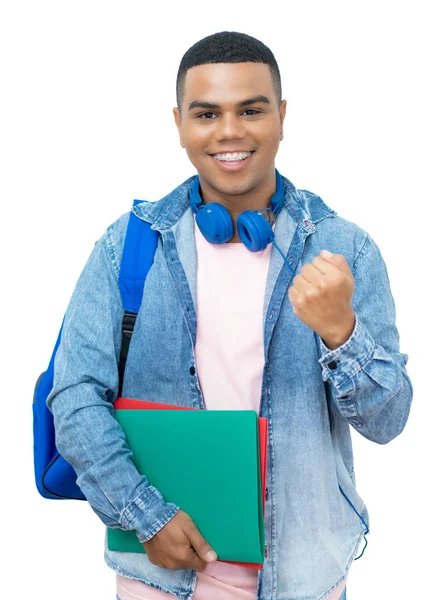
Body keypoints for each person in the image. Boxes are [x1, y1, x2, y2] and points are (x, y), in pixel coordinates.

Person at [47, 31, 413, 600]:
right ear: (178, 124)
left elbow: (387, 422)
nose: (229, 132)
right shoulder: (128, 247)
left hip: (305, 577)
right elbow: (74, 397)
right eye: (206, 113)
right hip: (162, 579)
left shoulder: (345, 250)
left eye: (251, 110)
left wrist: (342, 332)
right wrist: (146, 516)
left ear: (282, 117)